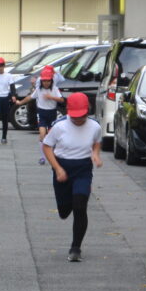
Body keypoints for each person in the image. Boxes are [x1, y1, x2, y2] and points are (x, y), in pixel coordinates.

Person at [42, 92, 102, 262]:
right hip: (62, 167)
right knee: (64, 211)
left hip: (83, 169)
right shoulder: (59, 126)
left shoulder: (95, 126)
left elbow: (96, 142)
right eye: (75, 116)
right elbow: (47, 147)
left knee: (80, 206)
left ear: (87, 111)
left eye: (81, 116)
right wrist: (57, 168)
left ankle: (76, 248)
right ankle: (65, 207)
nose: (78, 120)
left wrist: (95, 154)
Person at [14, 65, 64, 165]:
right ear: (41, 81)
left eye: (48, 81)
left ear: (51, 81)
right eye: (44, 81)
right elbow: (30, 97)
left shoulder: (54, 89)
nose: (46, 83)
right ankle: (43, 157)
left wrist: (51, 97)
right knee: (42, 134)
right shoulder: (39, 89)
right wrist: (20, 102)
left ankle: (53, 154)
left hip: (52, 114)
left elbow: (62, 100)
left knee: (52, 136)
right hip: (42, 113)